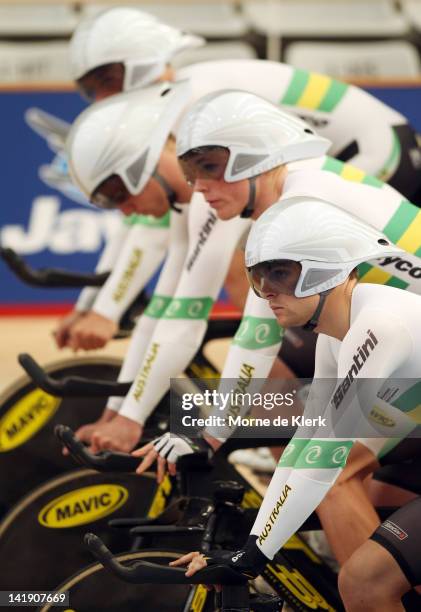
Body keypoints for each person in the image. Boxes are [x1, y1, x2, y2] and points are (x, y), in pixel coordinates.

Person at [131, 89, 421, 566]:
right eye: (191, 172)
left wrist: (209, 433)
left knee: (336, 471)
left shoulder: (303, 205)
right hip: (387, 338)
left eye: (210, 167)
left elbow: (255, 333)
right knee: (299, 417)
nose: (199, 187)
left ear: (251, 160)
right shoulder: (293, 199)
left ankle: (358, 575)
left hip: (392, 335)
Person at [56, 5, 421, 352]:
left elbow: (155, 232)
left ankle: (297, 361)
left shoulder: (189, 105)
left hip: (377, 151)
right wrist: (93, 305)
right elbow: (138, 216)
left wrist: (105, 310)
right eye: (90, 89)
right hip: (352, 150)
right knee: (255, 258)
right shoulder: (172, 102)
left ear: (139, 64)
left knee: (250, 261)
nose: (100, 98)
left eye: (106, 81)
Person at [168, 197, 421, 612]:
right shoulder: (333, 336)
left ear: (330, 273)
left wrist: (252, 557)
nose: (267, 292)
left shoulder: (377, 327)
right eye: (259, 277)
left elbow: (324, 458)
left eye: (281, 274)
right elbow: (304, 445)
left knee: (363, 583)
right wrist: (253, 549)